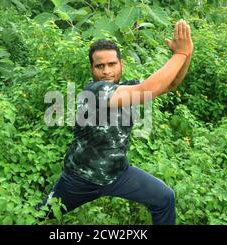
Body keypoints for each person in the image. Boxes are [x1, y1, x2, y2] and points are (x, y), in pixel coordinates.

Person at [37, 19, 193, 225]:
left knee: (165, 197)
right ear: (92, 69)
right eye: (99, 66)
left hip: (119, 174)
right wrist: (179, 54)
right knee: (37, 216)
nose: (106, 71)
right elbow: (148, 89)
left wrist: (186, 54)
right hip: (81, 178)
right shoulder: (94, 91)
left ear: (121, 64)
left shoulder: (127, 88)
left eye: (112, 64)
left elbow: (170, 84)